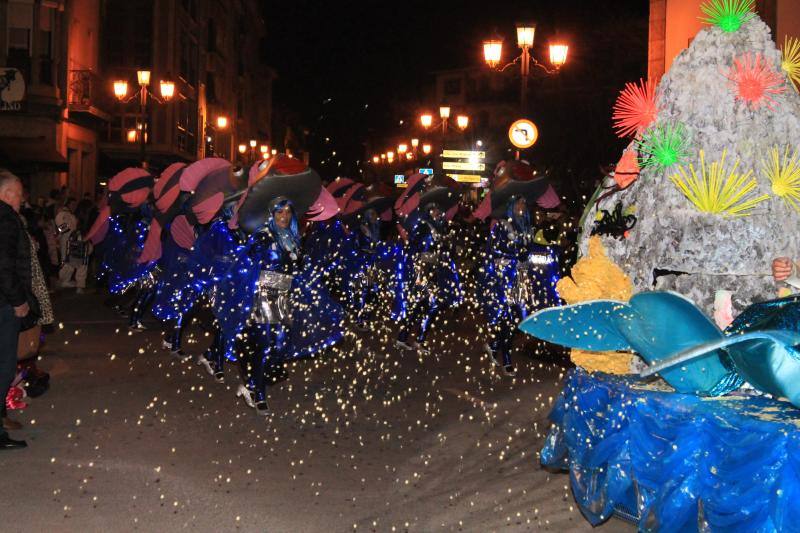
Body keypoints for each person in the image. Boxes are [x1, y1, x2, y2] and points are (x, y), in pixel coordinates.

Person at [0, 169, 31, 449]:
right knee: (4, 364)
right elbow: (4, 265)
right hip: (3, 303)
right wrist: (18, 300)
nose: (22, 201)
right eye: (19, 195)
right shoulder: (6, 219)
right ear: (7, 195)